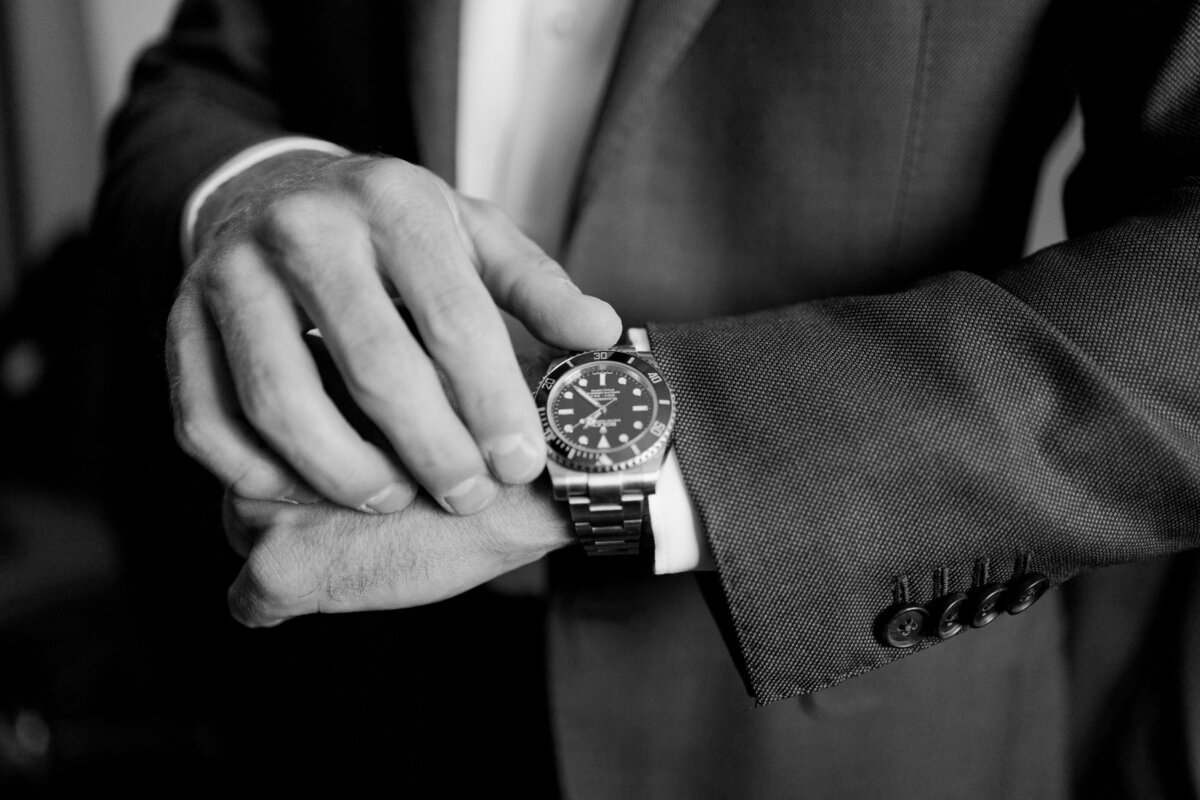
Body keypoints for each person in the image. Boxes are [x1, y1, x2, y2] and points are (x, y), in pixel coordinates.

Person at [96, 0, 1200, 796]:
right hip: (339, 660)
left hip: (826, 719)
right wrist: (257, 188)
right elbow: (211, 71)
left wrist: (612, 469)